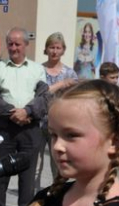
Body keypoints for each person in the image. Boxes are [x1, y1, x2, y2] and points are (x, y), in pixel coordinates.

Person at [0, 27, 49, 206]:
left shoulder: (37, 69)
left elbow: (44, 98)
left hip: (30, 128)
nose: (13, 48)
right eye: (10, 43)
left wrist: (27, 111)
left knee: (27, 177)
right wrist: (13, 112)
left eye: (17, 44)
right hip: (4, 127)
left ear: (26, 45)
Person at [39, 32, 78, 182]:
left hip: (60, 124)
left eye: (58, 48)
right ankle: (35, 196)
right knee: (36, 163)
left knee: (58, 162)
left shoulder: (69, 73)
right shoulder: (37, 70)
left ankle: (57, 195)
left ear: (63, 50)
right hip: (40, 121)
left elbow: (74, 98)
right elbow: (39, 94)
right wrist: (61, 84)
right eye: (51, 47)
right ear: (46, 49)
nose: (54, 51)